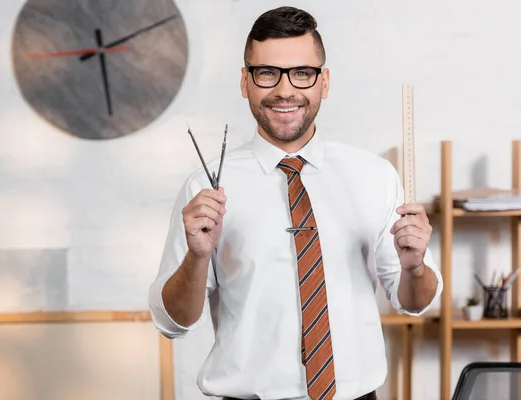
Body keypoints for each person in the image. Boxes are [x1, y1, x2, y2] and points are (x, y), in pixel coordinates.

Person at [149, 6, 443, 400]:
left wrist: (415, 267)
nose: (285, 90)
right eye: (267, 72)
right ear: (245, 81)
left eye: (302, 73)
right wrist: (197, 257)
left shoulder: (375, 175)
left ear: (323, 82)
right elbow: (174, 323)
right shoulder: (206, 188)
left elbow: (414, 303)